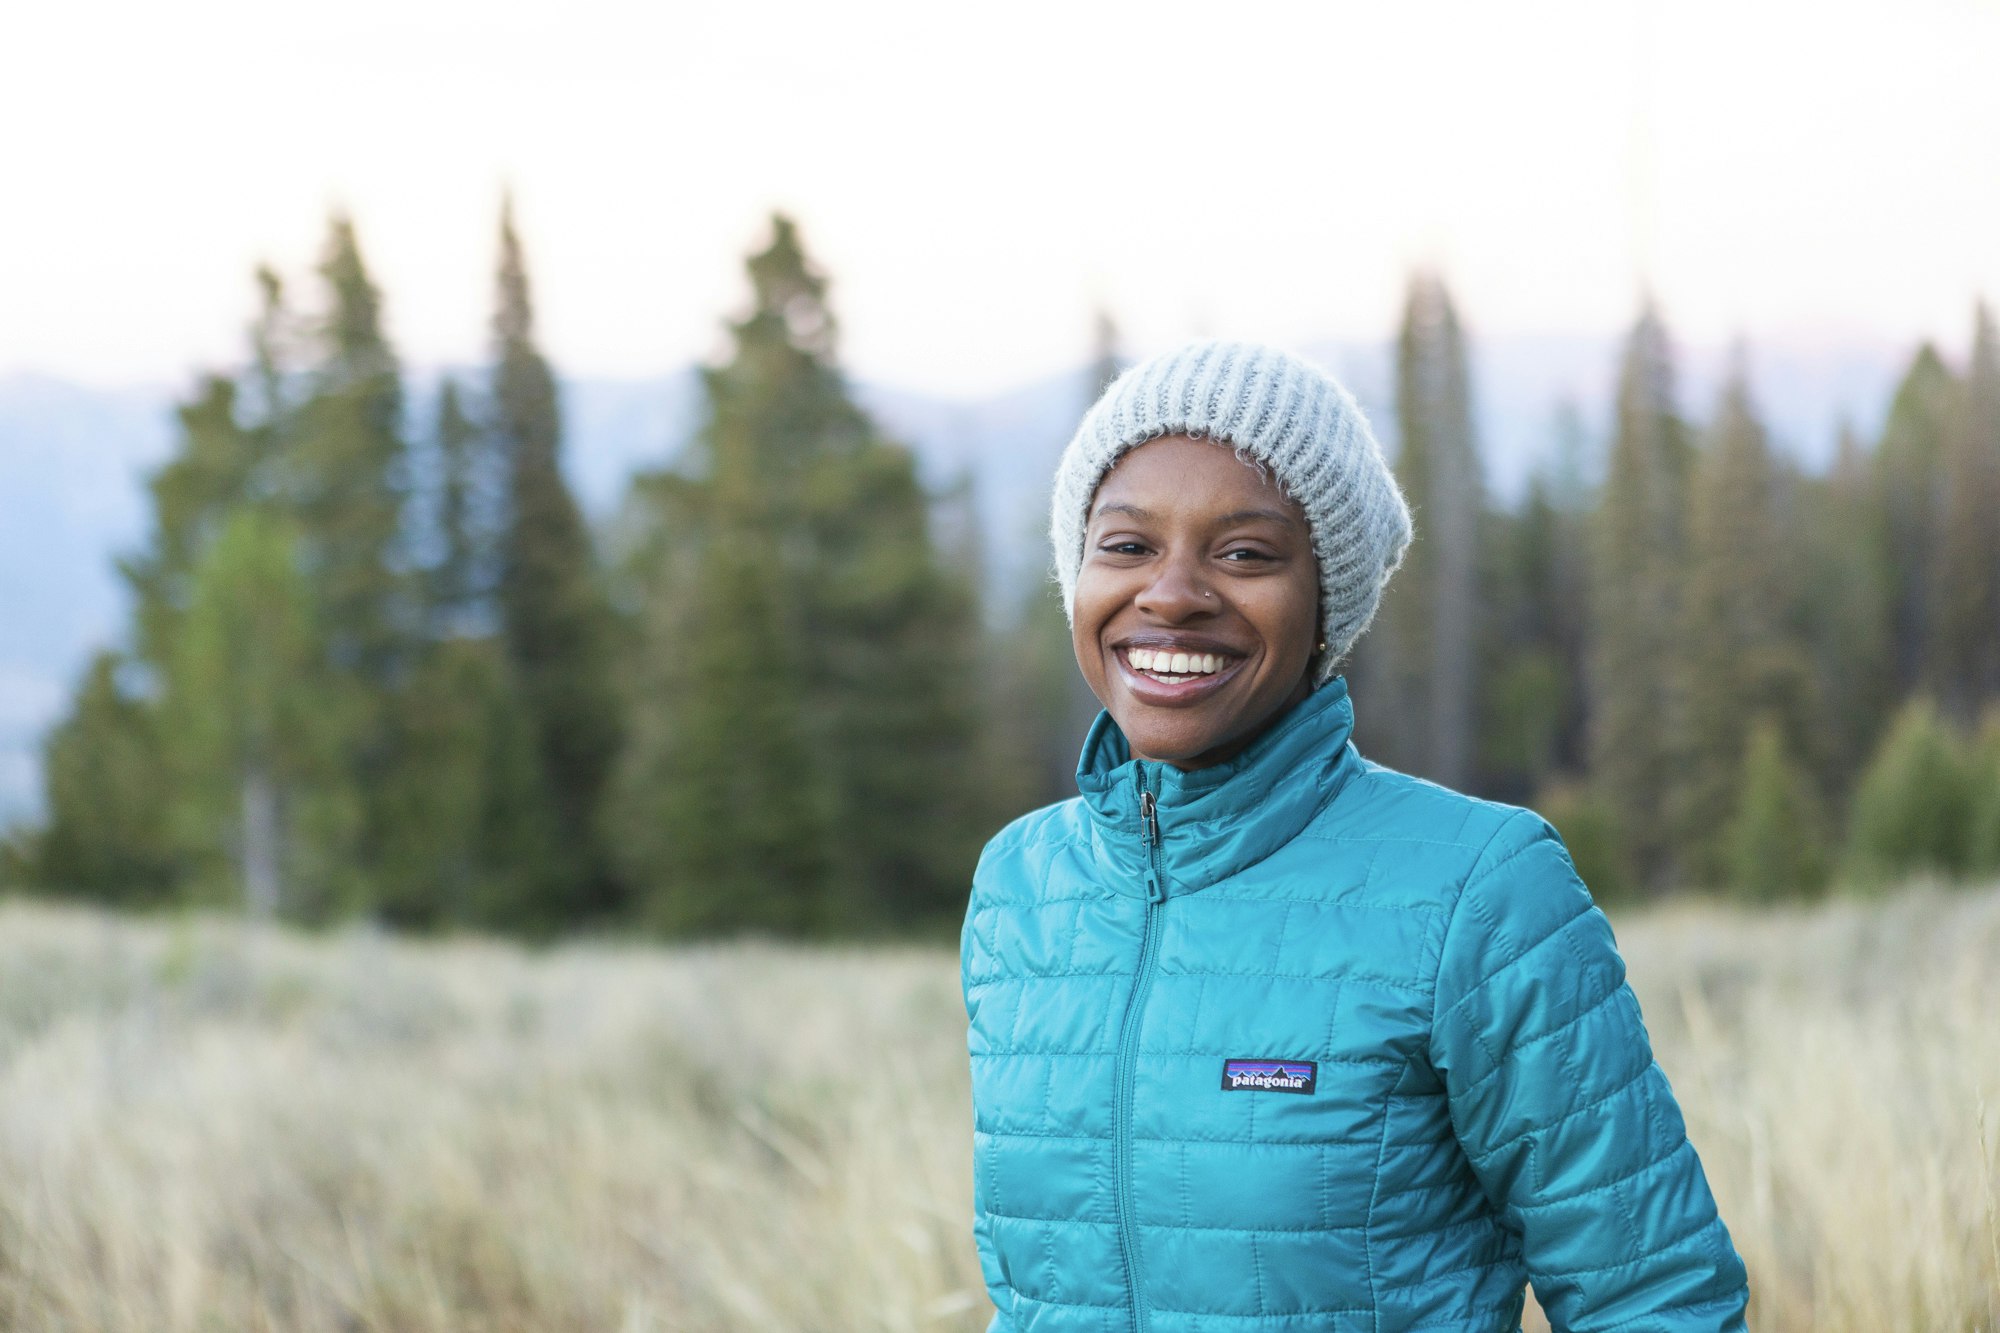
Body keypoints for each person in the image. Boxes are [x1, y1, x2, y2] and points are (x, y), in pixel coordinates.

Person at [959, 339, 1748, 1333]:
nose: (1170, 593)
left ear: (1325, 600)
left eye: (1243, 552)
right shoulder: (1020, 888)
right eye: (1124, 545)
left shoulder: (1480, 890)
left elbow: (1653, 1297)